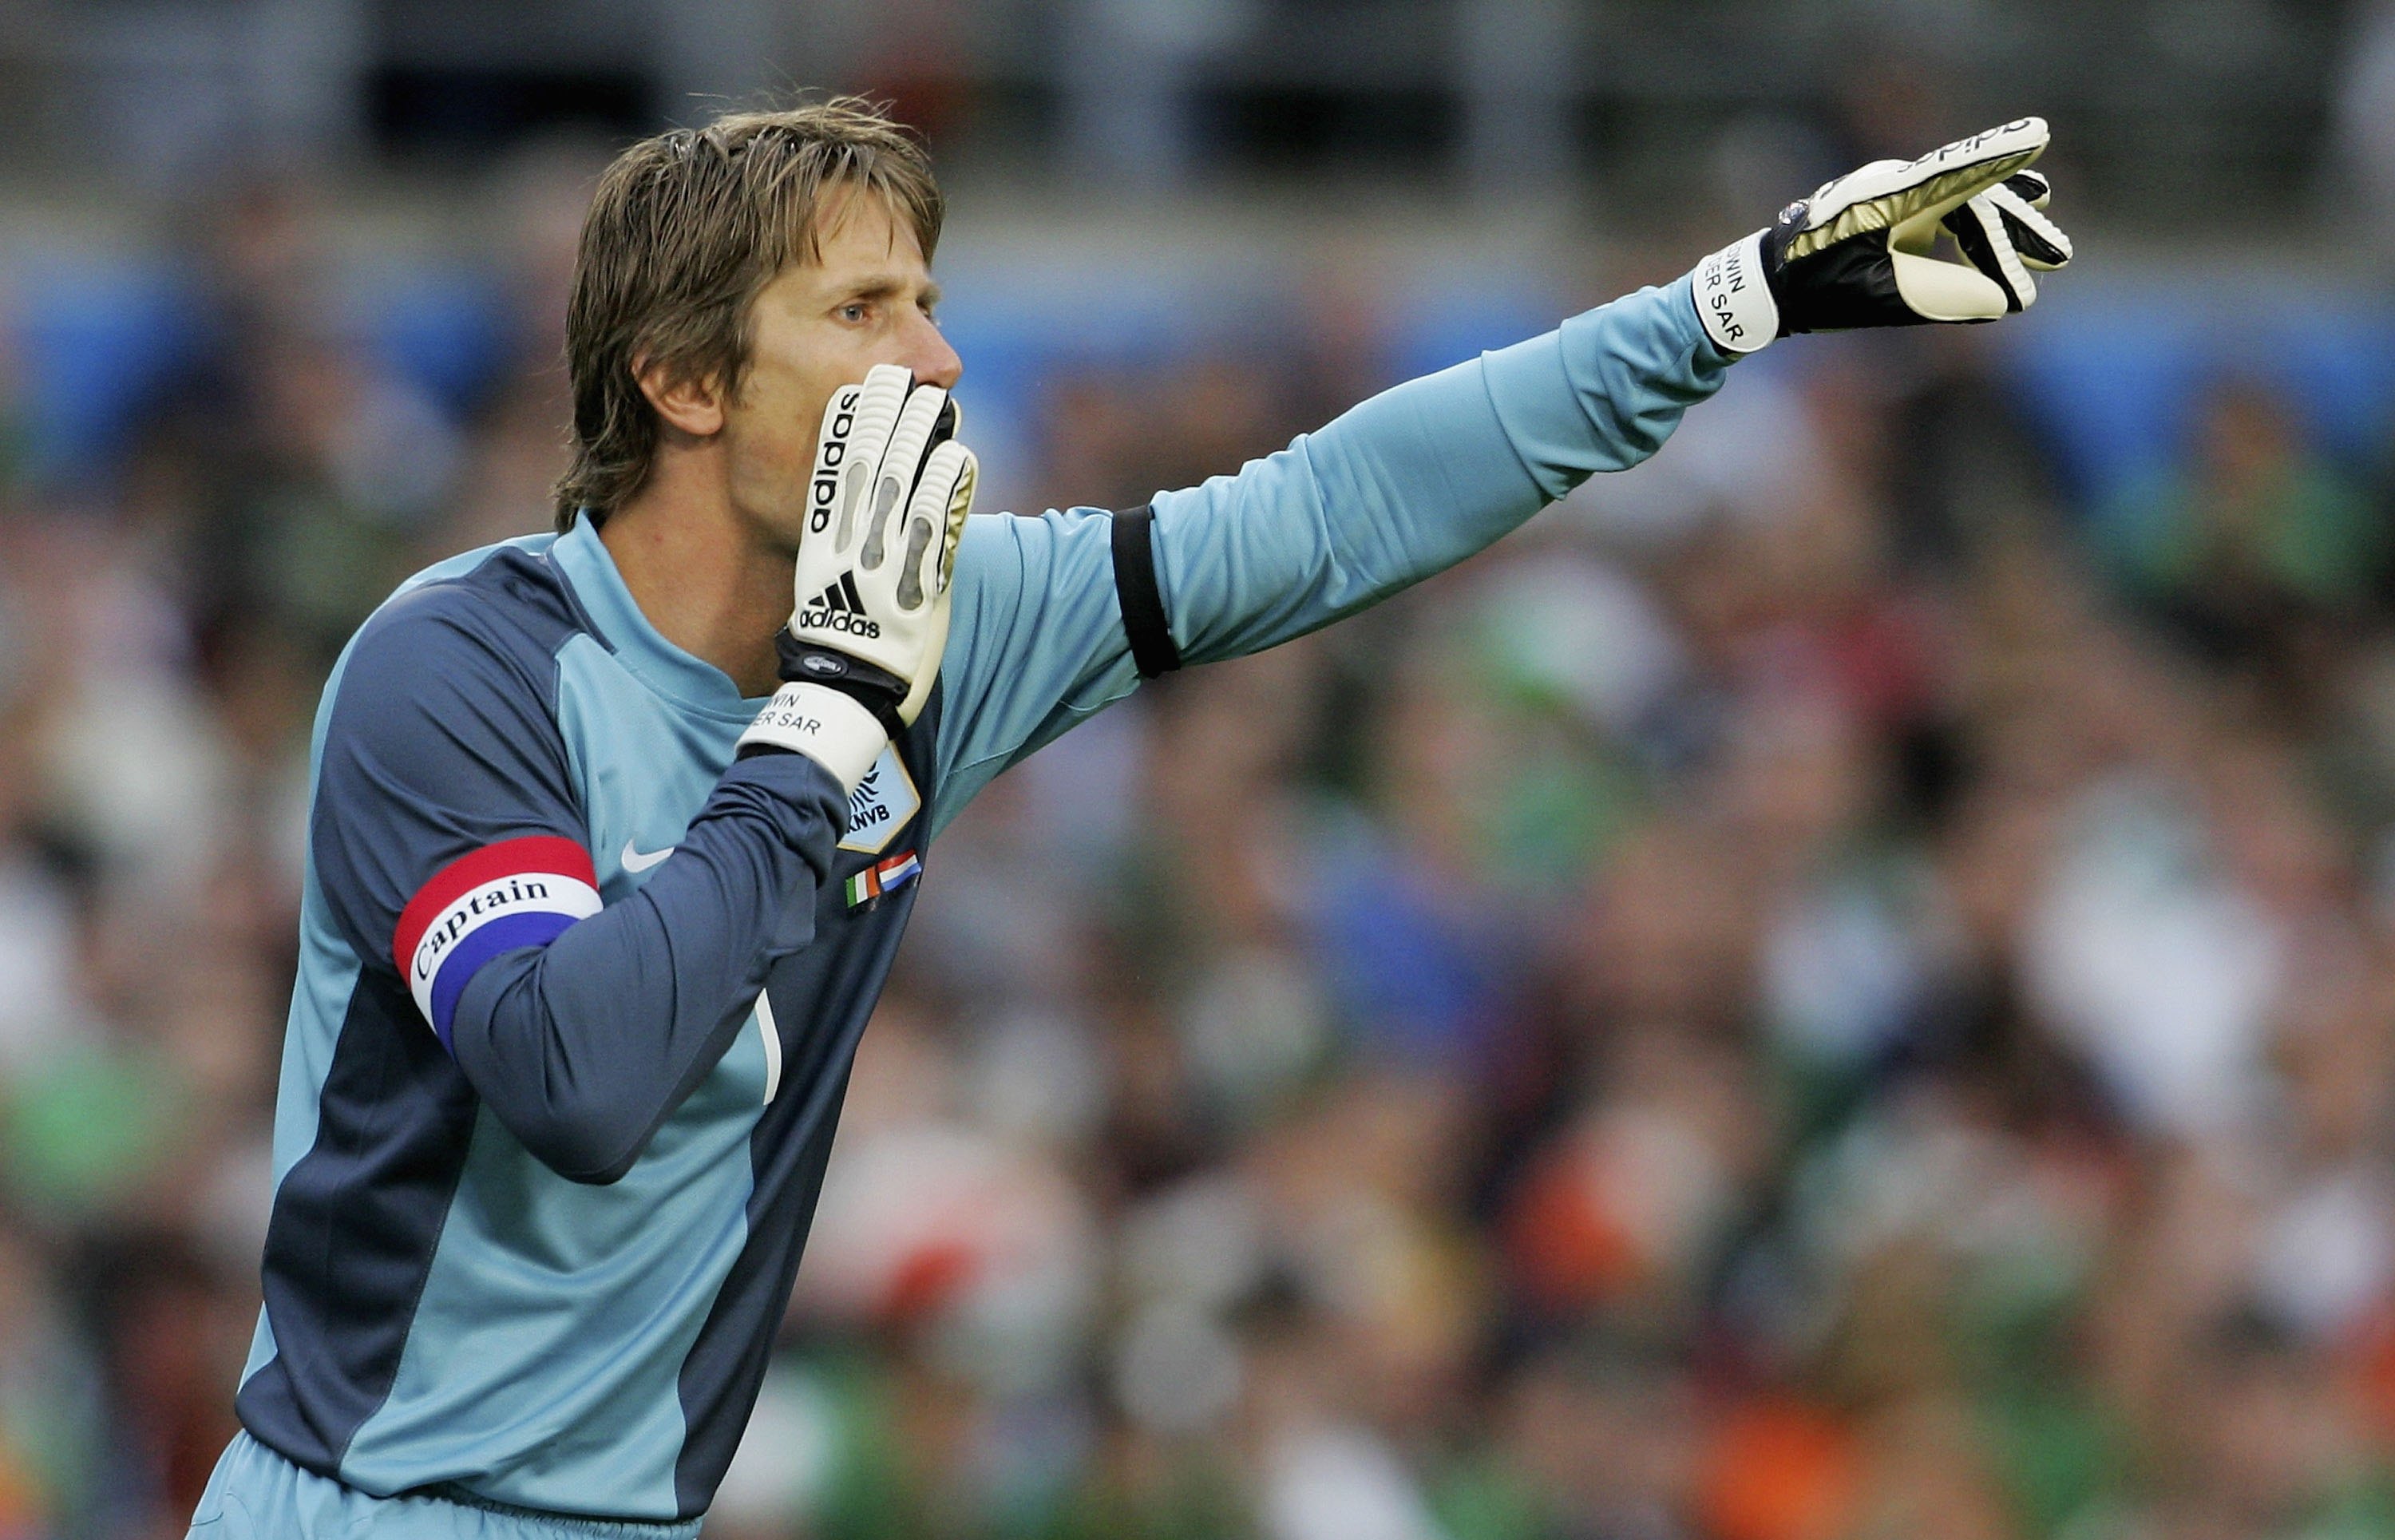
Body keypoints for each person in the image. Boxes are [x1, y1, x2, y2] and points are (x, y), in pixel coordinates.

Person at [184, 99, 2070, 1538]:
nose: (930, 363)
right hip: (367, 1503)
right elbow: (578, 1077)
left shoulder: (949, 620)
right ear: (678, 380)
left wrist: (1726, 304)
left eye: (929, 303)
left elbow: (1324, 513)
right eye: (858, 311)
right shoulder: (463, 670)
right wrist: (835, 714)